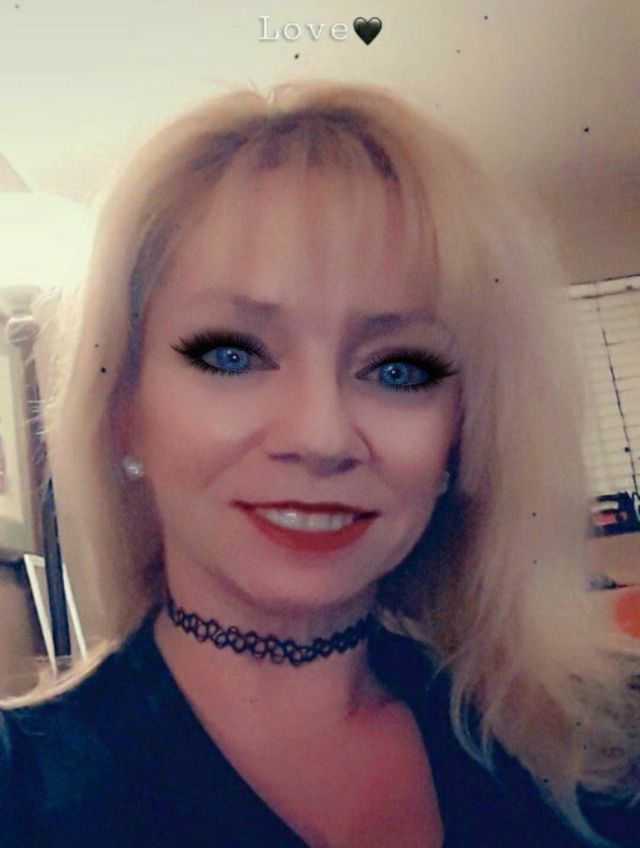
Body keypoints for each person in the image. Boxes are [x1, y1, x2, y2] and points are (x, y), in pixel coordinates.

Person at [1, 79, 639, 848]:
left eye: (398, 368)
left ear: (463, 433)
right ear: (123, 410)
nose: (321, 436)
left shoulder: (606, 746)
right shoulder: (21, 791)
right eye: (232, 354)